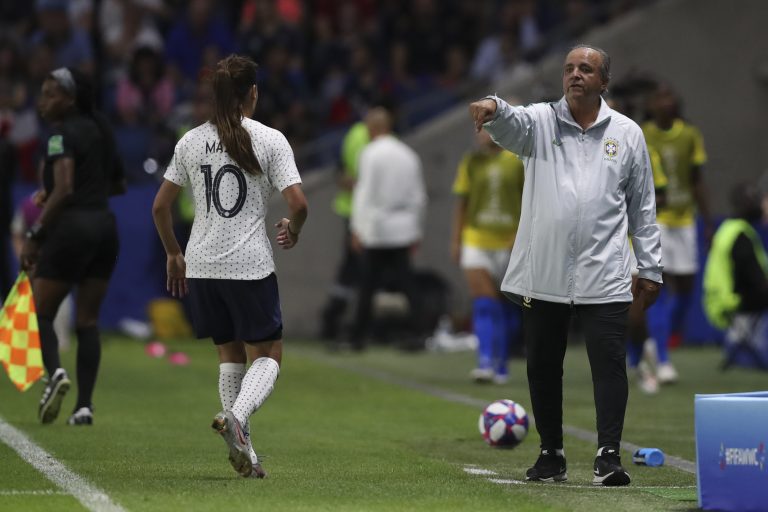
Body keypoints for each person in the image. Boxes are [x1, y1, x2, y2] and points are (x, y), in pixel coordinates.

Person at [468, 44, 662, 486]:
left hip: (607, 271)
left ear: (604, 82)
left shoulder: (628, 133)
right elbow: (509, 122)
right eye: (570, 68)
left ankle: (608, 456)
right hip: (545, 272)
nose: (575, 75)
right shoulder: (538, 122)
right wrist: (494, 106)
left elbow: (642, 208)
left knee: (609, 365)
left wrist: (651, 268)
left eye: (586, 69)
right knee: (541, 365)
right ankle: (551, 455)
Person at [152, 54, 308, 479]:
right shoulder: (269, 139)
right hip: (248, 264)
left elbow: (161, 206)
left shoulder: (190, 141)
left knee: (229, 353)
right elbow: (299, 204)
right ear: (252, 93)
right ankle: (236, 417)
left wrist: (173, 253)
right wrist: (292, 230)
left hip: (201, 265)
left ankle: (246, 454)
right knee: (270, 353)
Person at [20, 67, 125, 426]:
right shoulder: (103, 131)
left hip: (72, 230)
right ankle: (84, 407)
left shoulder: (58, 136)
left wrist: (35, 234)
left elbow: (64, 189)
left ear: (70, 98)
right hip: (105, 228)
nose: (43, 100)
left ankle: (55, 376)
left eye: (50, 93)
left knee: (41, 312)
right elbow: (117, 186)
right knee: (88, 320)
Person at [642, 82, 711, 384]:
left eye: (670, 96)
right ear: (651, 104)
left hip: (685, 219)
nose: (665, 102)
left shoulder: (689, 134)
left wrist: (707, 220)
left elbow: (697, 179)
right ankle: (663, 357)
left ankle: (659, 341)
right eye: (660, 97)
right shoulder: (643, 134)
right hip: (657, 219)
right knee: (659, 286)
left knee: (685, 288)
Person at [348, 107, 426, 350]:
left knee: (368, 284)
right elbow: (419, 196)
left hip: (377, 228)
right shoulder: (408, 154)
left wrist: (357, 228)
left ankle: (358, 337)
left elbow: (364, 193)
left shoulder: (370, 153)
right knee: (408, 283)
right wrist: (417, 229)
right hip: (404, 228)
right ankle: (419, 333)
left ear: (372, 128)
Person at [450, 129, 524, 384]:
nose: (481, 134)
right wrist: (456, 240)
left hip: (508, 241)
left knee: (505, 307)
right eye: (478, 129)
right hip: (476, 238)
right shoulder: (470, 162)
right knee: (484, 303)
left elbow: (531, 199)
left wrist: (523, 233)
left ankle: (501, 363)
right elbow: (462, 202)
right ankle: (484, 362)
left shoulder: (518, 160)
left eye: (487, 128)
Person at [703, 183, 768, 369]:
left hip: (722, 298)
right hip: (734, 300)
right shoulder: (741, 235)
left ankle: (738, 343)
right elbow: (755, 280)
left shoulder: (728, 229)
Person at [318, 120, 369, 340]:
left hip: (352, 210)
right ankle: (347, 324)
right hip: (363, 213)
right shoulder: (368, 139)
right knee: (360, 270)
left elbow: (340, 170)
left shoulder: (353, 133)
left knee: (351, 270)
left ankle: (334, 319)